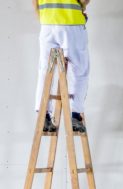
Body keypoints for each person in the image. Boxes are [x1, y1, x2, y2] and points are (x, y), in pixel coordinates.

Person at [33, 0, 90, 133]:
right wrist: (83, 6)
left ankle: (43, 116)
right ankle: (75, 116)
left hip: (47, 24)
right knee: (79, 70)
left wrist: (44, 18)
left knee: (45, 71)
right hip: (71, 23)